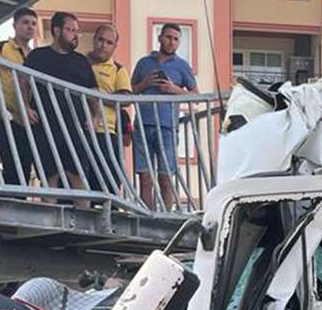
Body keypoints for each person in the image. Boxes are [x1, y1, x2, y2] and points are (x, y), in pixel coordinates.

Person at [24, 12, 101, 202]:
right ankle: (49, 224)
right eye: (69, 29)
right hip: (46, 125)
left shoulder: (81, 61)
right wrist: (25, 107)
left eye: (76, 30)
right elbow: (22, 82)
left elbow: (93, 93)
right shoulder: (38, 56)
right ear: (56, 30)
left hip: (75, 127)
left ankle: (85, 226)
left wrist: (96, 117)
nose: (74, 34)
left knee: (78, 176)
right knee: (50, 176)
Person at [131, 23, 197, 211]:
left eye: (176, 39)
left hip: (167, 127)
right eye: (168, 37)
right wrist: (144, 84)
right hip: (143, 125)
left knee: (166, 177)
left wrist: (174, 90)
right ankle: (146, 217)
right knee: (145, 178)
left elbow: (196, 95)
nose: (171, 42)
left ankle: (166, 216)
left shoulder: (182, 66)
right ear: (160, 38)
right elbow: (129, 92)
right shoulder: (144, 63)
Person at [0, 7, 42, 187]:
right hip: (6, 114)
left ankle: (20, 198)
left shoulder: (35, 55)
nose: (30, 27)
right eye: (25, 22)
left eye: (33, 24)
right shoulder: (0, 47)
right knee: (10, 163)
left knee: (26, 166)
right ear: (15, 25)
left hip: (28, 119)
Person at [87, 22, 131, 191]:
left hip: (105, 133)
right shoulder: (79, 61)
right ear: (94, 39)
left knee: (106, 185)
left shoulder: (118, 69)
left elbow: (125, 98)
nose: (103, 45)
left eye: (109, 42)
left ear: (114, 47)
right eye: (100, 40)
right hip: (77, 129)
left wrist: (97, 96)